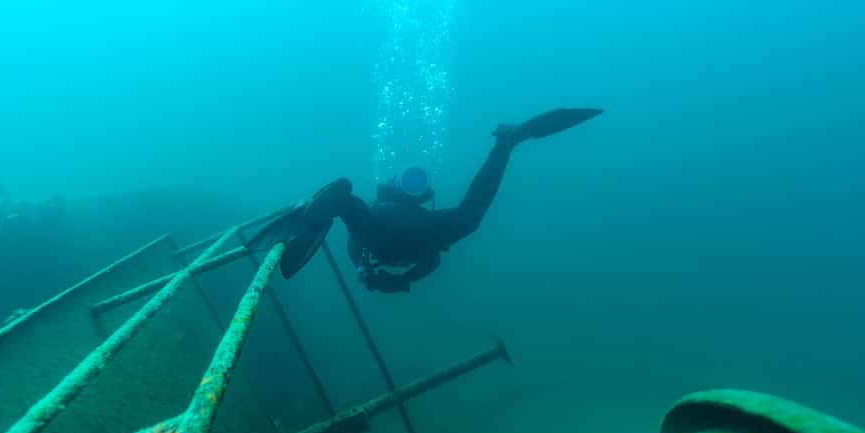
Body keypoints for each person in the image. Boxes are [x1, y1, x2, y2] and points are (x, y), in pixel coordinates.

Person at [248, 107, 603, 292]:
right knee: (468, 217)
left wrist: (381, 276)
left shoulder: (366, 249)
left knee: (367, 216)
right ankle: (506, 143)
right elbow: (429, 262)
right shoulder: (395, 245)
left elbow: (368, 246)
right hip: (413, 228)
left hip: (388, 227)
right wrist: (396, 280)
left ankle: (329, 207)